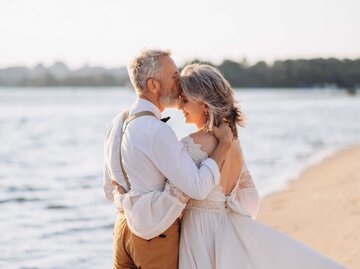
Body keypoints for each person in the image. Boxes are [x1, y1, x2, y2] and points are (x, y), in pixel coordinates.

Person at [113, 63, 346, 269]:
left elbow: (166, 195)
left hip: (199, 235)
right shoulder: (233, 143)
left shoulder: (189, 145)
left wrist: (126, 198)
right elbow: (251, 200)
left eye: (185, 99)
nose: (180, 106)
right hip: (226, 231)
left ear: (202, 103)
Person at [103, 49, 233, 269]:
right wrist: (223, 147)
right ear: (153, 85)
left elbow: (109, 190)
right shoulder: (157, 131)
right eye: (174, 76)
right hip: (154, 237)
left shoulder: (117, 123)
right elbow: (198, 188)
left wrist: (130, 200)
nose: (180, 82)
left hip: (122, 231)